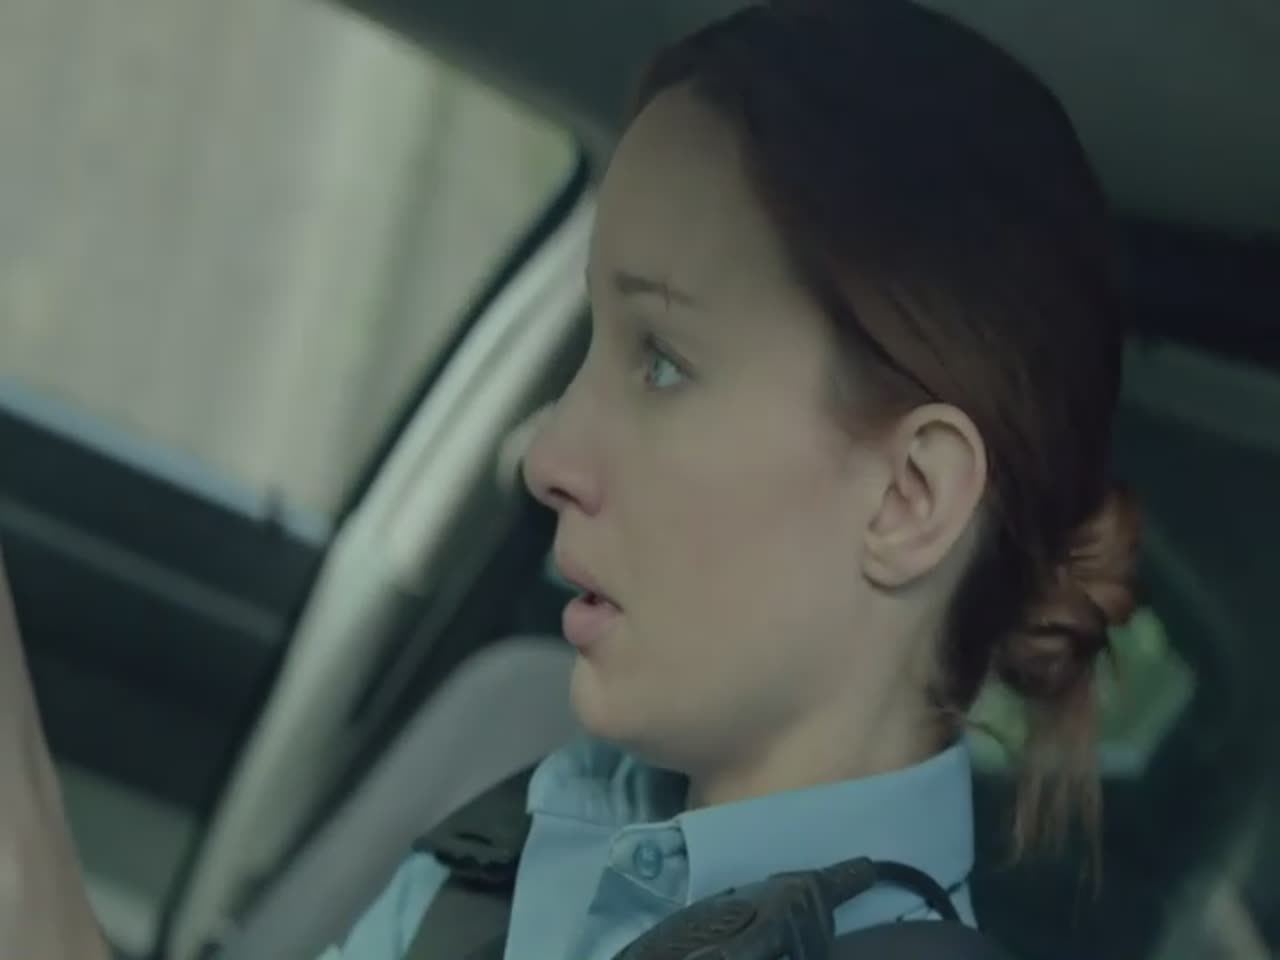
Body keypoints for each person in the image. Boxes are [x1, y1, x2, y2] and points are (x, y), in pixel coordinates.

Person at [0, 1, 1139, 958]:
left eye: (664, 362)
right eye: (594, 344)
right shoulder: (528, 837)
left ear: (907, 498)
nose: (545, 458)